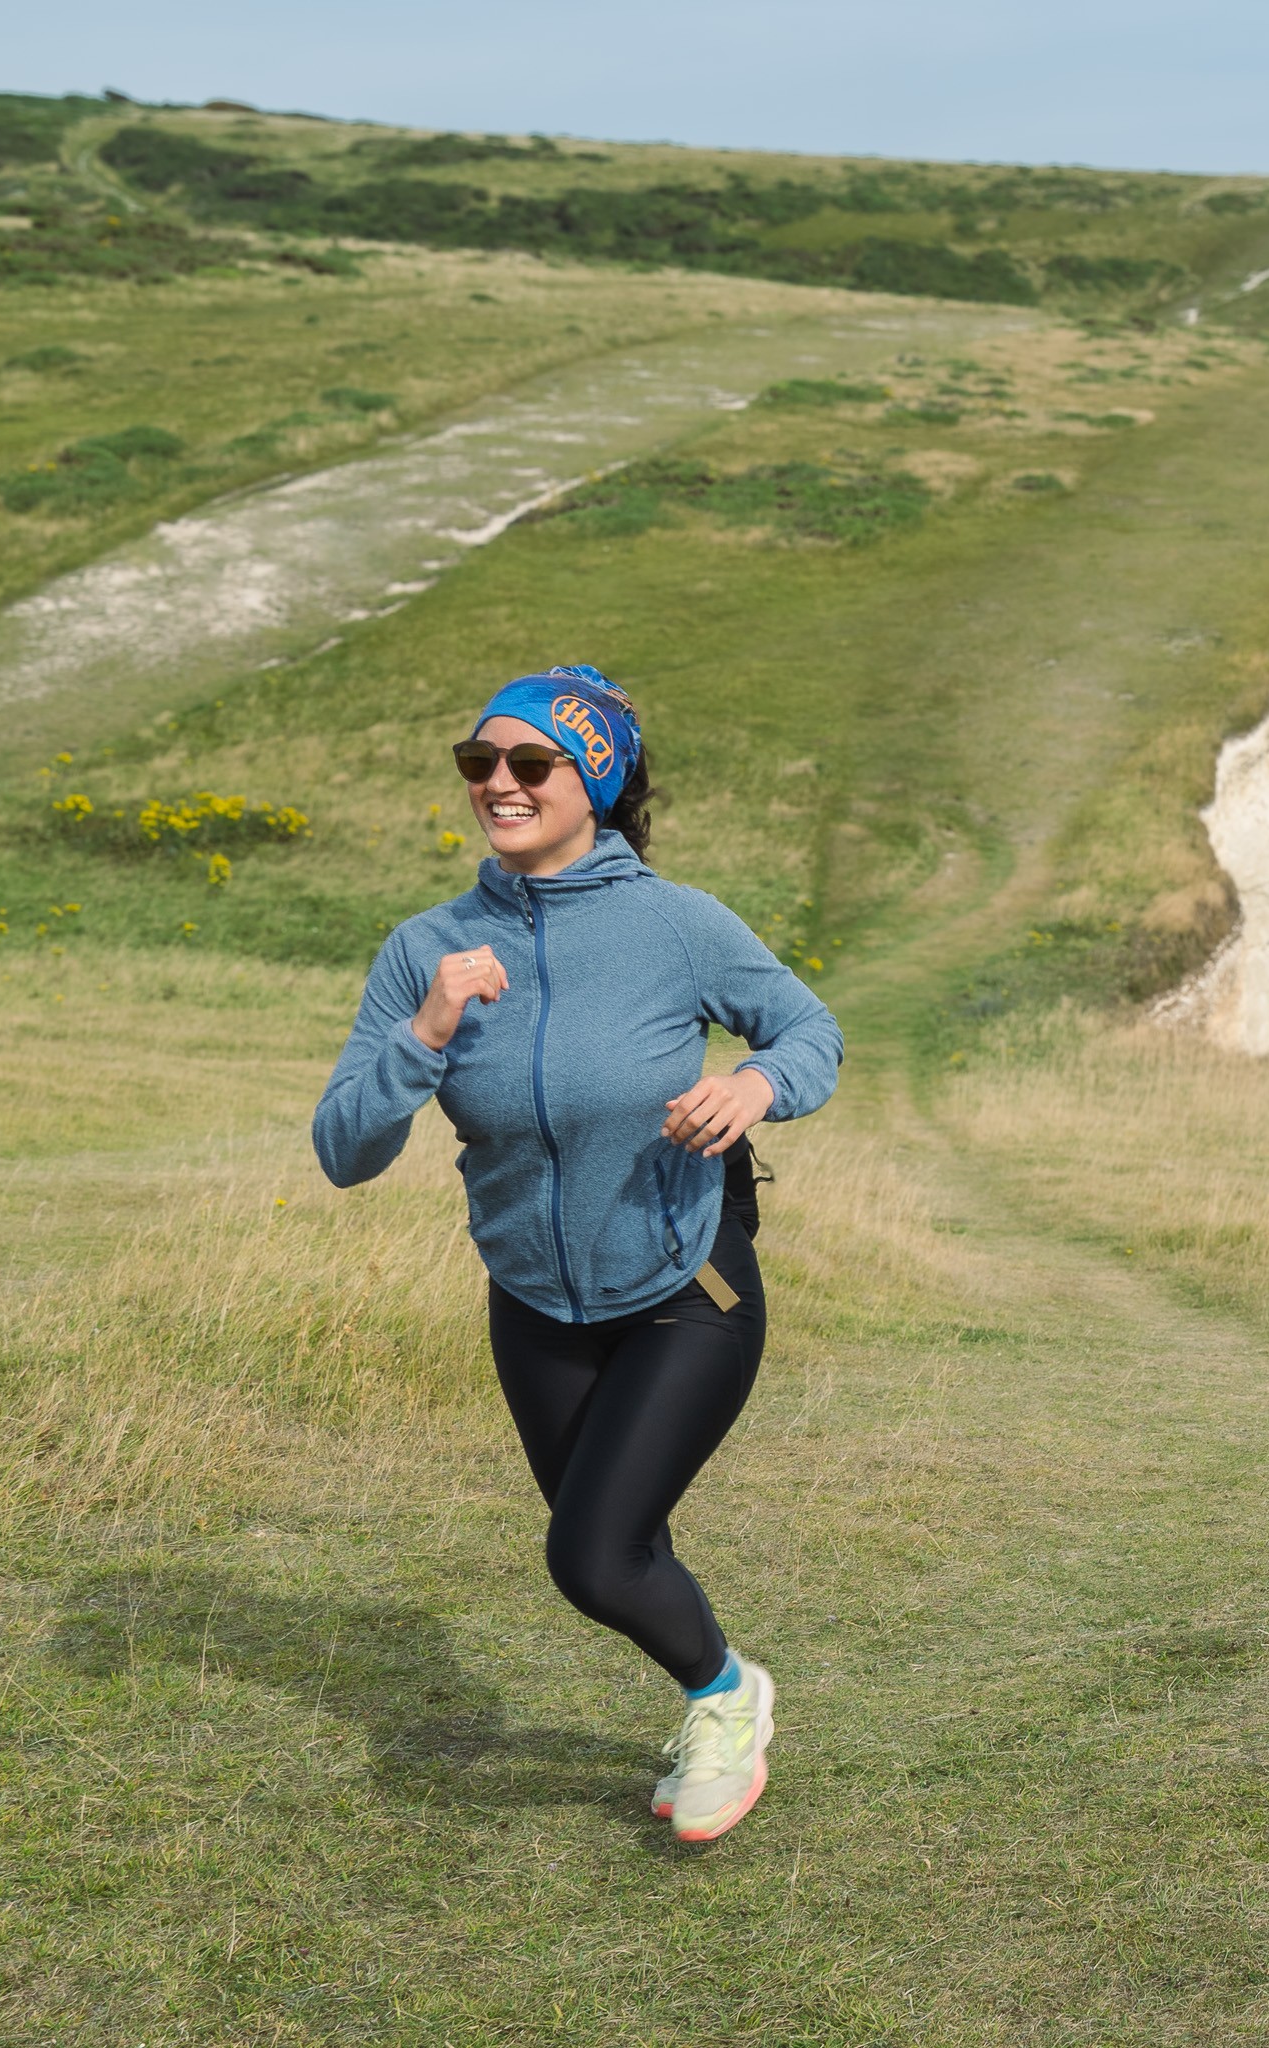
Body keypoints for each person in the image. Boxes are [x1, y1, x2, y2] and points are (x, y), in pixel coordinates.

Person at [312, 665, 841, 1844]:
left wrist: (754, 1082)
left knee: (591, 1555)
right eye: (478, 762)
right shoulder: (426, 949)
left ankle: (722, 1700)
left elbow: (812, 1029)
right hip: (533, 1304)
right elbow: (344, 1147)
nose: (497, 782)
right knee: (619, 1543)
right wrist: (424, 1032)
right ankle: (724, 1689)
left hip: (685, 1280)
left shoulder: (676, 923)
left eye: (530, 763)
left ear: (590, 779)